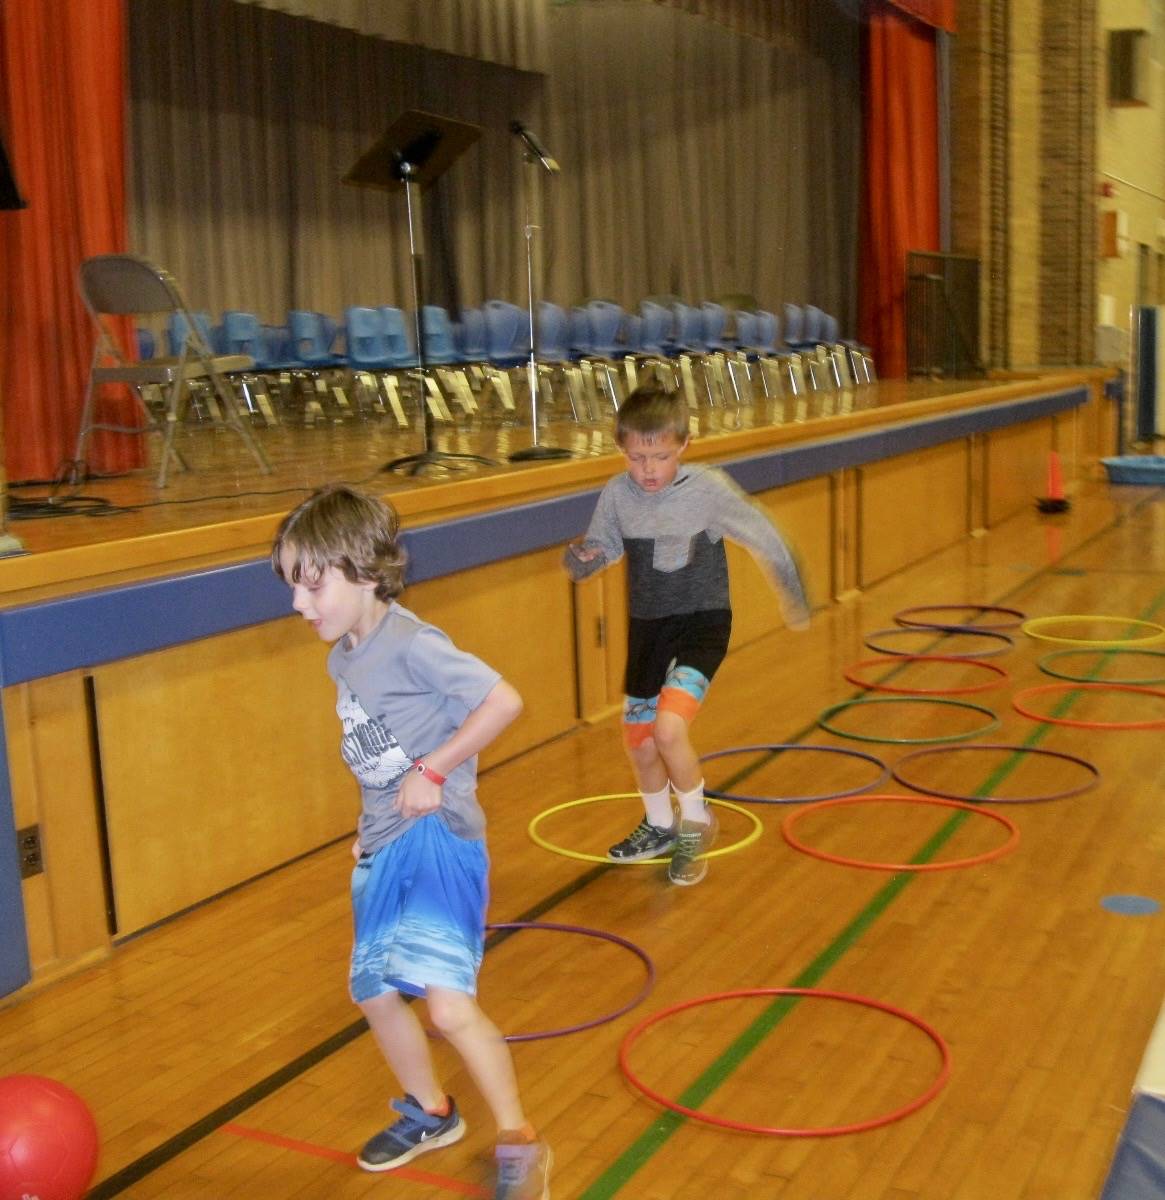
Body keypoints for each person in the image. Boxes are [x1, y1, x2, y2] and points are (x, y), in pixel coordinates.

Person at [271, 484, 551, 1200]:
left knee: (448, 1007)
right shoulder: (345, 655)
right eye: (291, 586)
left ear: (362, 568)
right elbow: (376, 757)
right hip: (384, 846)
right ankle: (432, 1113)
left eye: (311, 584)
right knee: (373, 991)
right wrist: (367, 833)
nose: (299, 606)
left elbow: (504, 701)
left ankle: (519, 1140)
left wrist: (437, 768)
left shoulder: (412, 642)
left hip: (438, 842)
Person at [563, 382, 810, 885]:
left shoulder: (707, 490)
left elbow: (765, 536)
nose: (648, 470)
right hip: (649, 629)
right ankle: (659, 826)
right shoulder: (617, 494)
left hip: (702, 623)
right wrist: (581, 559)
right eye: (636, 458)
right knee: (640, 742)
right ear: (621, 450)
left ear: (684, 445)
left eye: (660, 456)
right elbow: (602, 548)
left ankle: (696, 821)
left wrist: (793, 593)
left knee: (668, 730)